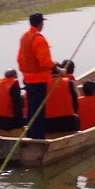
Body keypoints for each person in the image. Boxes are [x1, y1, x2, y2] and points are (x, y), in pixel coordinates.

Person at [17, 12, 57, 140]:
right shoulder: (39, 39)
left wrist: (25, 72)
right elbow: (44, 61)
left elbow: (19, 59)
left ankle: (30, 135)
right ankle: (38, 138)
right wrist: (57, 69)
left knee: (31, 108)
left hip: (27, 79)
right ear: (41, 24)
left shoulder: (24, 37)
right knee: (39, 110)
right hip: (39, 80)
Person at [44, 60, 81, 135]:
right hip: (68, 122)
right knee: (77, 117)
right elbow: (75, 102)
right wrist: (74, 113)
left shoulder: (43, 86)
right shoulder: (69, 82)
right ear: (59, 71)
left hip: (49, 123)